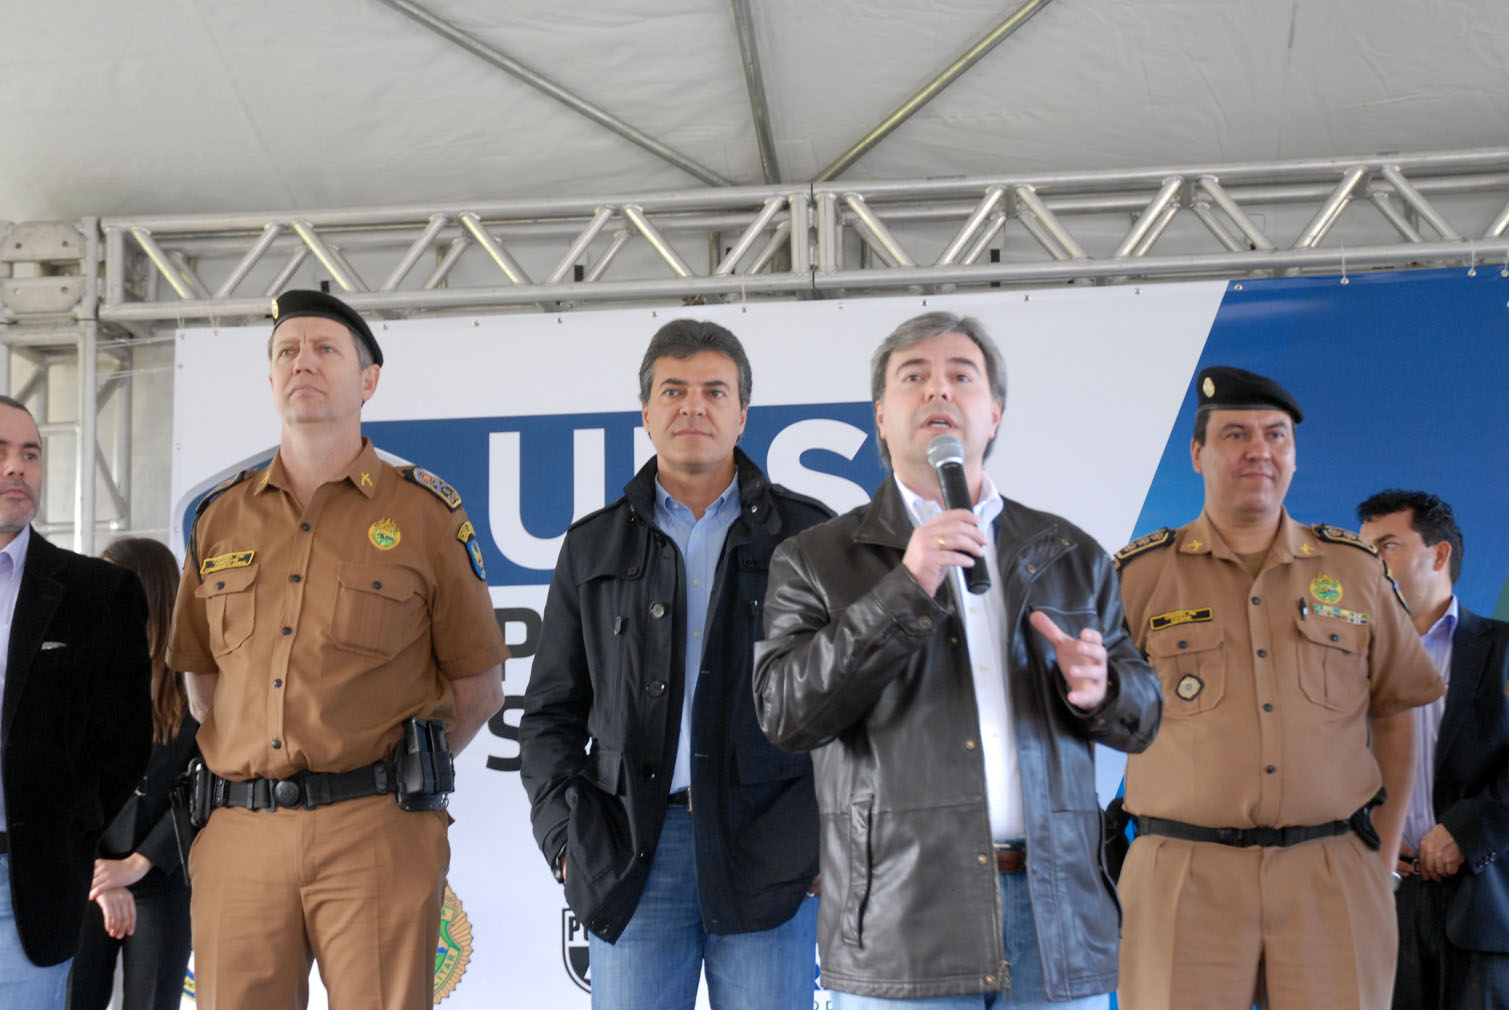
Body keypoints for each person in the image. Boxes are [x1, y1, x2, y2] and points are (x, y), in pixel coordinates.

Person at [752, 311, 1162, 1008]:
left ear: (994, 413)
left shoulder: (1067, 552)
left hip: (1057, 921)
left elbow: (1144, 717)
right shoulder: (815, 559)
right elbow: (786, 713)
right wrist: (905, 587)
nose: (937, 390)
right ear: (881, 418)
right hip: (903, 923)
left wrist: (1103, 689)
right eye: (913, 377)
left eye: (960, 377)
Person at [166, 289, 507, 1010]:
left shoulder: (424, 513)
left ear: (368, 381)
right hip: (240, 833)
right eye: (287, 352)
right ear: (270, 378)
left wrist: (397, 774)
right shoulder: (219, 516)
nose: (303, 363)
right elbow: (202, 683)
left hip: (376, 831)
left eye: (326, 350)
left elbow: (477, 687)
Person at [518, 319, 832, 1010]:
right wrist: (564, 839)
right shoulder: (592, 545)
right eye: (674, 390)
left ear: (742, 413)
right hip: (631, 852)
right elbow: (548, 714)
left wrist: (824, 837)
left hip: (770, 849)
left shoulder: (807, 536)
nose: (693, 406)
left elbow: (845, 705)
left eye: (714, 391)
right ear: (646, 412)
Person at [1114, 366, 1443, 1010]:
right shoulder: (1139, 576)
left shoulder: (1355, 571)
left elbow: (1395, 711)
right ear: (1198, 453)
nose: (1259, 450)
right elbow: (1082, 714)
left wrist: (1378, 857)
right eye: (1235, 434)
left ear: (1294, 458)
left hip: (1331, 872)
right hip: (1182, 874)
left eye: (1276, 435)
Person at [0, 396, 152, 1008]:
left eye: (30, 454)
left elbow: (125, 744)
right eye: (0, 452)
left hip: (25, 891)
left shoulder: (98, 592)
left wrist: (67, 830)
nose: (17, 467)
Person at [1356, 490, 1509, 1010]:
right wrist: (1365, 832)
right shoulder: (1346, 658)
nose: (1370, 561)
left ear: (1439, 554)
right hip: (1381, 905)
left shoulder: (1503, 649)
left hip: (1484, 904)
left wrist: (1467, 831)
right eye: (1365, 549)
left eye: (1386, 546)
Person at [67, 538, 199, 1010]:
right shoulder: (77, 671)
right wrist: (99, 876)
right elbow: (60, 782)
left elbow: (203, 786)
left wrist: (138, 864)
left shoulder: (198, 684)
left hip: (162, 877)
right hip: (86, 874)